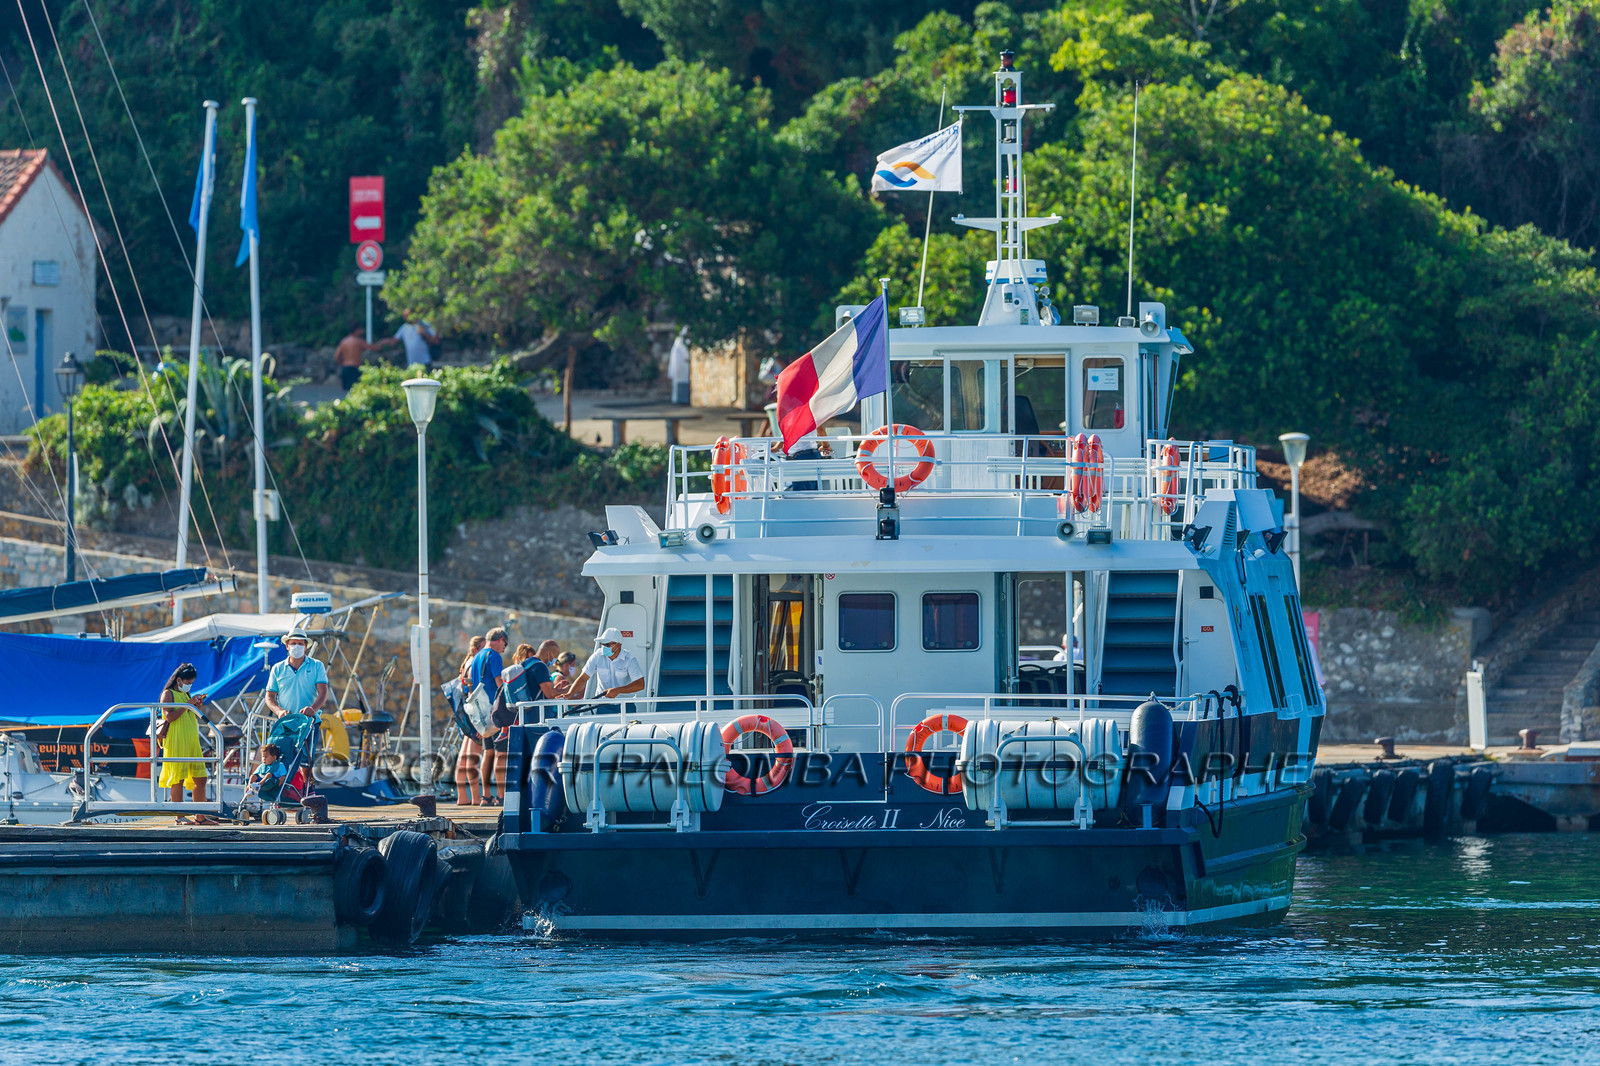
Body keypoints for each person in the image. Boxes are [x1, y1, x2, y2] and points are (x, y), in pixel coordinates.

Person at [155, 662, 215, 824]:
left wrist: (197, 706)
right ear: (179, 680)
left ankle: (200, 817)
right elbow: (170, 717)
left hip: (191, 739)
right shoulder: (168, 694)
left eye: (191, 683)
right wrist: (187, 705)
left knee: (201, 778)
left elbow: (191, 716)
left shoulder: (186, 695)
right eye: (188, 683)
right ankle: (179, 816)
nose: (189, 686)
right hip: (176, 739)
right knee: (177, 778)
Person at [468, 627, 511, 805]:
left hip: (481, 710)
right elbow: (500, 683)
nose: (504, 648)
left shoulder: (477, 656)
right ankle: (501, 795)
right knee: (501, 753)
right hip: (495, 709)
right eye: (505, 644)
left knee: (488, 752)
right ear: (500, 639)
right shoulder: (493, 655)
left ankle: (485, 795)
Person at [567, 627, 645, 708]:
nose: (604, 647)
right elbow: (583, 678)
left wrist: (618, 690)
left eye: (607, 644)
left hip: (626, 706)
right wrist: (570, 694)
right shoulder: (597, 656)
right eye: (602, 644)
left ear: (618, 644)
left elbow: (640, 684)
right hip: (603, 706)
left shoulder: (630, 660)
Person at [264, 631, 330, 719]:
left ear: (306, 646)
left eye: (300, 644)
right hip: (285, 721)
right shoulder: (277, 668)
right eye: (293, 643)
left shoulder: (317, 665)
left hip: (310, 721)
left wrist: (312, 709)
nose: (297, 646)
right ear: (287, 646)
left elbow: (323, 692)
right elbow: (269, 696)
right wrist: (279, 711)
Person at [453, 635, 486, 806]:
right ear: (476, 649)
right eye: (483, 648)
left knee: (464, 757)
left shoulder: (466, 663)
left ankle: (462, 796)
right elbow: (474, 693)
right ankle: (475, 797)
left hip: (464, 712)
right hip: (473, 713)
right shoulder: (475, 663)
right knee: (472, 758)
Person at [333, 325, 395, 392]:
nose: (362, 331)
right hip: (354, 368)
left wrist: (342, 365)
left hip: (345, 368)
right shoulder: (358, 341)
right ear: (356, 330)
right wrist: (383, 342)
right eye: (360, 329)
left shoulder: (344, 341)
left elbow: (337, 356)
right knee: (355, 390)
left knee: (346, 391)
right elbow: (375, 348)